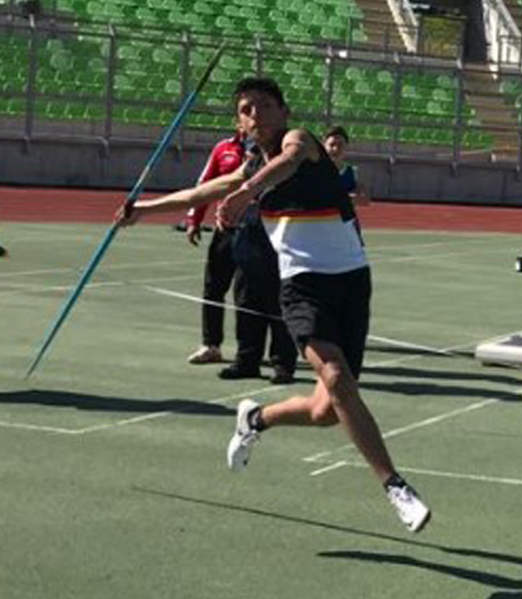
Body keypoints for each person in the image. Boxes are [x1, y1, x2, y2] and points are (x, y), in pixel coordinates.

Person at [115, 77, 430, 533]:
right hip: (302, 287)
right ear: (238, 123)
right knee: (336, 377)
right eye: (246, 108)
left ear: (284, 111)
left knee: (326, 410)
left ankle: (255, 418)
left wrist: (248, 192)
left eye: (264, 105)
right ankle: (395, 485)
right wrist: (143, 210)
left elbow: (287, 162)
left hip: (351, 283)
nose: (256, 114)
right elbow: (198, 193)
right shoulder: (248, 169)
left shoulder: (300, 142)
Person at [184, 128, 297, 384]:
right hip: (238, 232)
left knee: (276, 301)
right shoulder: (229, 151)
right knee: (245, 298)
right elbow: (207, 185)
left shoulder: (283, 157)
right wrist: (193, 218)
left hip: (273, 236)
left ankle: (283, 364)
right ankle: (246, 360)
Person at [323, 125, 371, 207]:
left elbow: (365, 200)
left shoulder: (354, 172)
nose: (336, 149)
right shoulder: (315, 171)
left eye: (340, 145)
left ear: (346, 146)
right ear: (324, 146)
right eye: (332, 145)